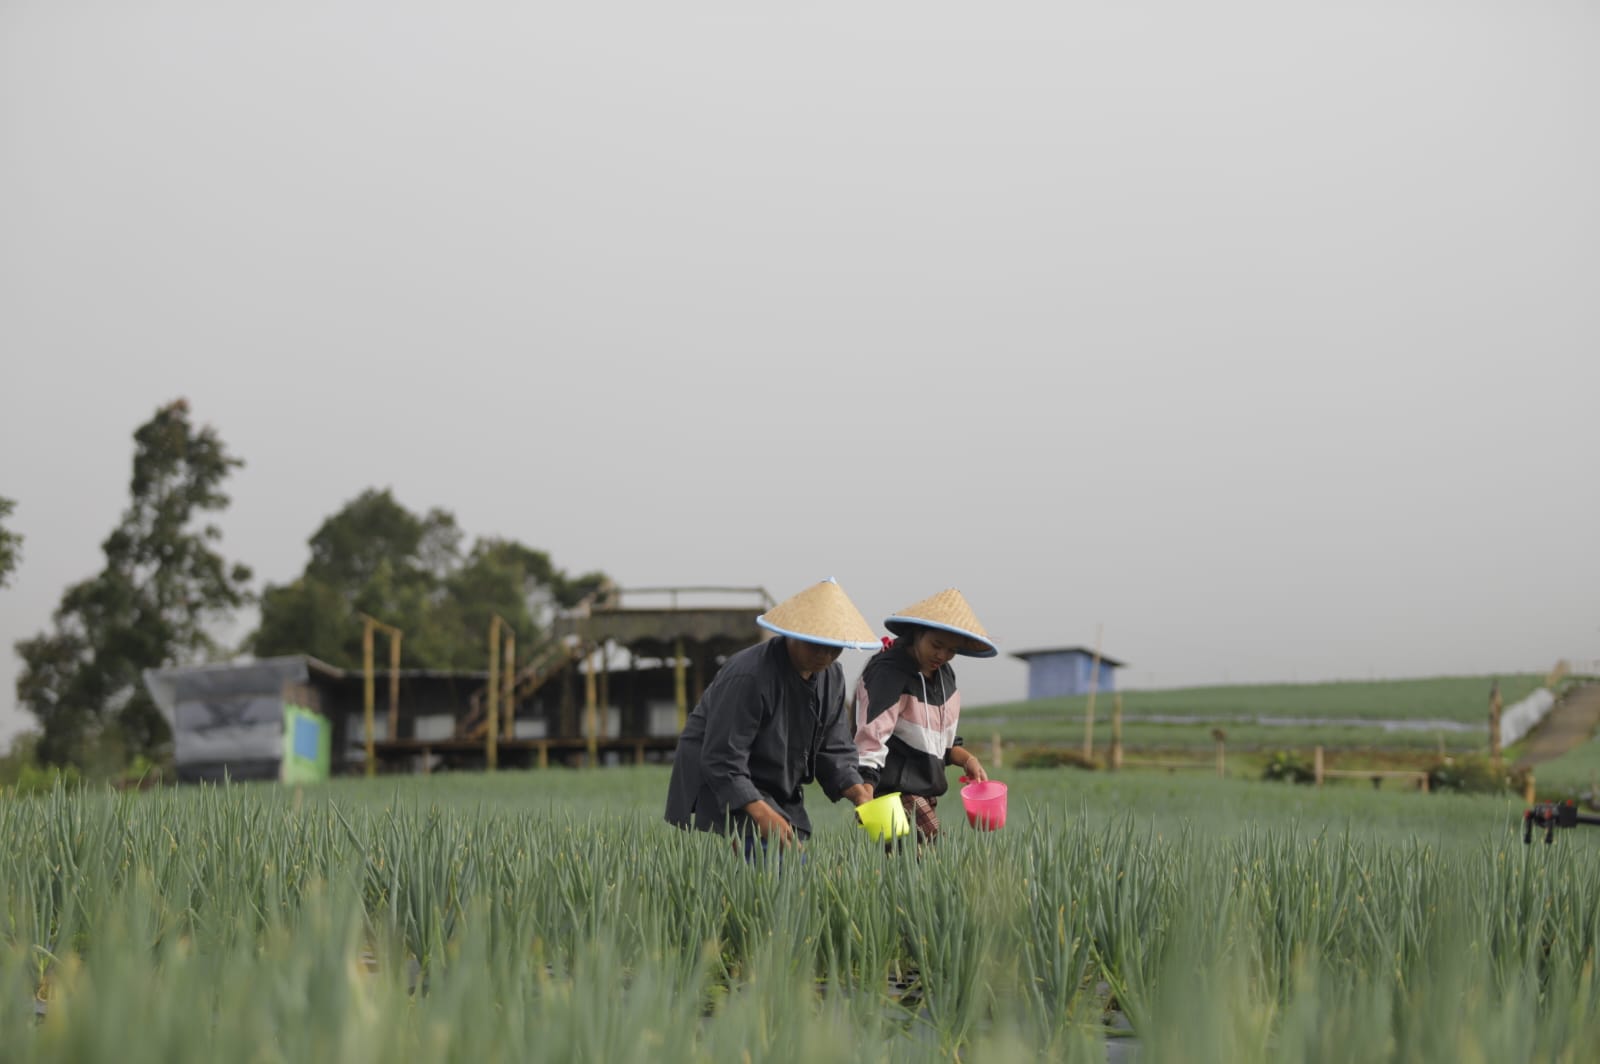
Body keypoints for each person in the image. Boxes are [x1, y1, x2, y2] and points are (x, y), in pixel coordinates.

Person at [665, 578, 879, 851]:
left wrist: (857, 790)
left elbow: (833, 747)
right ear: (793, 634)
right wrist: (760, 811)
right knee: (765, 860)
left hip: (775, 779)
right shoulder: (750, 675)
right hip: (722, 778)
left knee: (791, 866)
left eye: (834, 647)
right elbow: (722, 757)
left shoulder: (832, 677)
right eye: (816, 645)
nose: (825, 656)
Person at [852, 588, 997, 842]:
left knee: (906, 868)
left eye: (951, 650)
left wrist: (968, 760)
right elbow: (869, 741)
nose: (942, 655)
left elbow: (942, 744)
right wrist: (865, 795)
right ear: (917, 635)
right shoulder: (888, 674)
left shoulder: (944, 676)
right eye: (936, 645)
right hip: (890, 792)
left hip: (924, 791)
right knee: (931, 852)